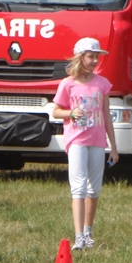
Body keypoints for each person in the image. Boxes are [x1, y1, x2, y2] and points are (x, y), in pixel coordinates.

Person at [51, 38, 118, 251]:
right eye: (91, 56)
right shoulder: (68, 84)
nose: (95, 60)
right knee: (78, 186)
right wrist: (71, 113)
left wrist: (113, 147)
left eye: (97, 56)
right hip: (77, 140)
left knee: (94, 188)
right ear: (80, 58)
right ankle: (78, 236)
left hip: (97, 140)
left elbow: (106, 114)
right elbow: (56, 110)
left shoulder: (102, 83)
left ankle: (89, 233)